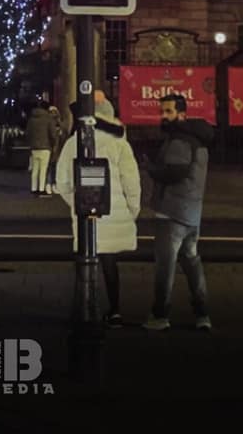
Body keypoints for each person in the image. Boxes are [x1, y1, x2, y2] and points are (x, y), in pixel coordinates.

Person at [53, 95, 142, 326]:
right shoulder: (120, 142)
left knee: (84, 257)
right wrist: (132, 210)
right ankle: (115, 311)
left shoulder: (76, 141)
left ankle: (84, 307)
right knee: (110, 263)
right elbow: (131, 180)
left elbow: (62, 180)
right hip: (113, 210)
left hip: (85, 210)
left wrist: (76, 202)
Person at [147, 93, 215, 331]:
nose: (163, 116)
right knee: (192, 261)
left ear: (182, 114)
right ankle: (202, 314)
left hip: (172, 211)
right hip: (192, 211)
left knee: (165, 266)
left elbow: (173, 173)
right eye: (162, 111)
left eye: (168, 112)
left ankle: (160, 315)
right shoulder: (198, 140)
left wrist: (151, 169)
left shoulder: (179, 141)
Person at [24, 97, 57, 197]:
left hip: (34, 147)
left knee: (35, 169)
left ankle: (34, 188)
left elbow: (28, 133)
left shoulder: (31, 119)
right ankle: (41, 189)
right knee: (43, 169)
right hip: (45, 147)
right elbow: (52, 134)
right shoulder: (48, 119)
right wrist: (53, 143)